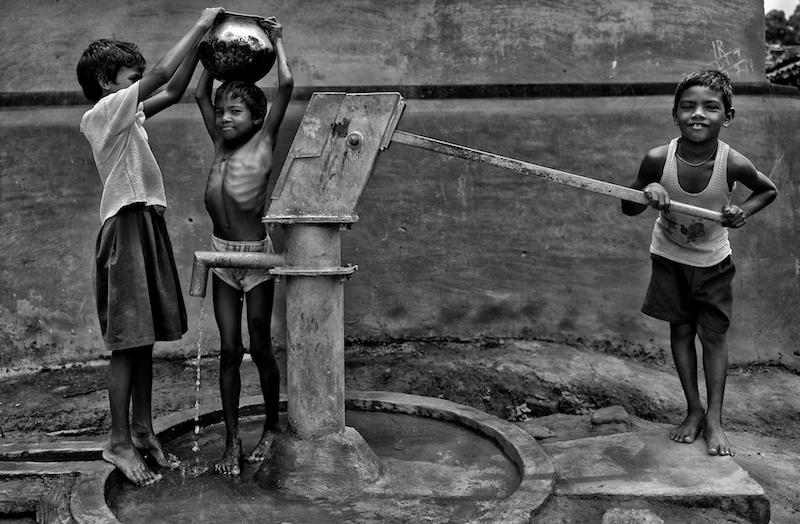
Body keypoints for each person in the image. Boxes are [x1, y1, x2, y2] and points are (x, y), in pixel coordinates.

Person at [77, 7, 224, 485]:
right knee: (127, 343)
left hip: (145, 224)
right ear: (106, 82)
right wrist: (200, 23)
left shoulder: (129, 118)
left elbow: (173, 90)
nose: (139, 84)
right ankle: (117, 441)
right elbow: (161, 75)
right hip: (124, 228)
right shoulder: (102, 114)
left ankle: (142, 430)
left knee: (143, 341)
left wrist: (205, 49)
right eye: (130, 78)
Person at [622, 70, 777, 457]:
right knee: (681, 331)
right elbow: (628, 206)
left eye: (711, 107)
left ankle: (715, 419)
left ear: (728, 116)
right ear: (674, 113)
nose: (698, 114)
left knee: (713, 337)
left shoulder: (732, 163)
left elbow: (767, 190)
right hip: (669, 256)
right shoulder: (658, 159)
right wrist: (648, 190)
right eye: (688, 106)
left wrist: (742, 211)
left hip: (712, 262)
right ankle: (693, 410)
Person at [195, 16, 293, 476]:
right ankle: (232, 441)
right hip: (221, 257)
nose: (224, 118)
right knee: (230, 349)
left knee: (260, 343)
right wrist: (208, 47)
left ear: (256, 118)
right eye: (222, 112)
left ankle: (271, 426)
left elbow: (286, 84)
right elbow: (201, 95)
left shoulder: (264, 142)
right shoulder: (220, 145)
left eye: (235, 112)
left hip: (255, 259)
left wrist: (277, 39)